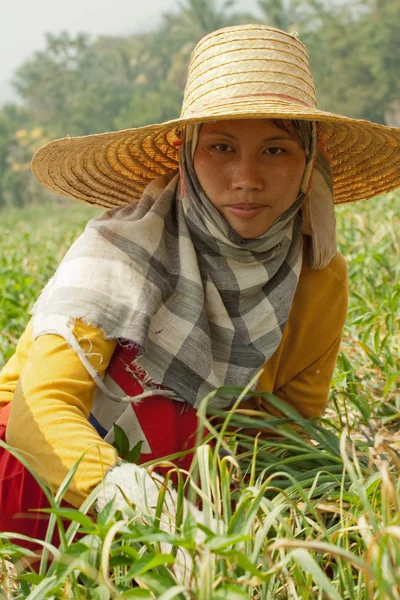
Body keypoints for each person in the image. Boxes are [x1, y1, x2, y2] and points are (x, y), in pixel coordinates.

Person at [0, 24, 399, 547]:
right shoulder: (122, 250)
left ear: (309, 160)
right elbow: (38, 412)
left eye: (276, 150)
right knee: (166, 415)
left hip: (195, 488)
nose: (246, 177)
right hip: (40, 467)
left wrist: (270, 527)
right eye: (221, 147)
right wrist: (138, 499)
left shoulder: (318, 279)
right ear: (186, 156)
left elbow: (287, 427)